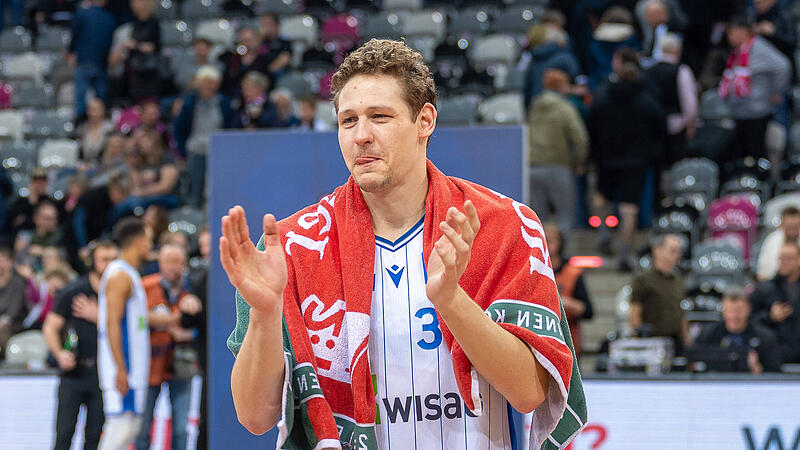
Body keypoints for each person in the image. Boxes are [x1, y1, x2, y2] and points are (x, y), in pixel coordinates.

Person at [222, 39, 584, 449]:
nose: (361, 136)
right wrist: (266, 313)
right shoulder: (294, 247)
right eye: (348, 121)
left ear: (424, 120)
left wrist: (449, 299)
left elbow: (529, 393)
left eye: (380, 117)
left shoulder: (501, 225)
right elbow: (254, 418)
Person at [588, 59, 666, 269]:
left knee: (601, 198)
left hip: (607, 159)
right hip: (635, 161)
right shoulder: (645, 100)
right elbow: (660, 124)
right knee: (629, 209)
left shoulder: (603, 97)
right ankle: (624, 254)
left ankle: (604, 232)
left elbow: (591, 124)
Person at [43, 240, 119, 450]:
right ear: (93, 262)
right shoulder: (74, 291)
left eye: (114, 259)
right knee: (64, 434)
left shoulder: (120, 293)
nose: (110, 265)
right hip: (74, 373)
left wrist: (99, 317)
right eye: (104, 259)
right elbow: (50, 326)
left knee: (95, 437)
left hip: (103, 374)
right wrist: (59, 354)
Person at [135, 244, 202, 450]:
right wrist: (169, 319)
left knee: (181, 428)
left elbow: (204, 325)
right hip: (149, 365)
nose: (173, 267)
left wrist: (189, 333)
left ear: (184, 264)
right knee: (143, 427)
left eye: (177, 261)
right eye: (168, 261)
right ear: (160, 263)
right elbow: (137, 321)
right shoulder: (145, 286)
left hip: (181, 364)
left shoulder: (194, 287)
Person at [97, 217, 152, 450]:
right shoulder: (120, 275)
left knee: (128, 428)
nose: (151, 245)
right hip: (124, 367)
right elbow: (112, 323)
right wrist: (120, 368)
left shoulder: (129, 273)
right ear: (138, 242)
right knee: (121, 427)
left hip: (133, 366)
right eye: (149, 240)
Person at [719, 16, 790, 169]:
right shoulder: (736, 51)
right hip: (740, 110)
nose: (729, 37)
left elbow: (783, 66)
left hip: (757, 110)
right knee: (740, 155)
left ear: (743, 32)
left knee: (757, 154)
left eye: (732, 33)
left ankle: (760, 181)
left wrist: (776, 91)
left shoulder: (759, 47)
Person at [527, 69, 589, 233]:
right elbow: (580, 139)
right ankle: (561, 256)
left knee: (537, 220)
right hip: (558, 167)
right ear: (561, 86)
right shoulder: (565, 108)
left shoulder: (533, 107)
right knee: (565, 217)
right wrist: (577, 162)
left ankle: (540, 257)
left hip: (532, 167)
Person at [174, 65, 236, 207]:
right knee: (196, 185)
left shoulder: (223, 102)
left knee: (217, 187)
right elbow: (179, 128)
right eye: (208, 82)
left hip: (218, 151)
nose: (211, 86)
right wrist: (182, 151)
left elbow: (230, 125)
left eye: (214, 82)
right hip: (196, 149)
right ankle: (195, 212)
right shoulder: (189, 103)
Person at [693, 286, 781, 373]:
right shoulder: (707, 336)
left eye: (739, 311)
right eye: (730, 310)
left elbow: (776, 375)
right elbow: (695, 366)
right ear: (723, 311)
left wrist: (758, 370)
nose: (734, 316)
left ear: (748, 309)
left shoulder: (766, 338)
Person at [644, 33, 698, 165]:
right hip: (677, 124)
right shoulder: (681, 70)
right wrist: (691, 123)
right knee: (677, 165)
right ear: (677, 50)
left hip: (653, 125)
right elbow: (689, 101)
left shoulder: (648, 71)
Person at [629, 234, 689, 350]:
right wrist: (637, 339)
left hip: (675, 340)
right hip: (652, 340)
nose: (676, 255)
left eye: (678, 252)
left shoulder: (678, 280)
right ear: (657, 251)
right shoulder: (643, 280)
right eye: (672, 251)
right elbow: (635, 311)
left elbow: (681, 311)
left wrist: (686, 337)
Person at [543, 223, 593, 357]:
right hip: (541, 343)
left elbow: (588, 311)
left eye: (550, 240)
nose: (546, 244)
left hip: (568, 345)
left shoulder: (573, 273)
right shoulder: (532, 270)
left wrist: (566, 303)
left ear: (560, 243)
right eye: (543, 239)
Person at [750, 241, 800, 365]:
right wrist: (770, 317)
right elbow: (749, 319)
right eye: (780, 258)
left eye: (788, 258)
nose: (783, 262)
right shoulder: (764, 289)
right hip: (774, 356)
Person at [69, 0, 116, 120]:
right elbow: (110, 44)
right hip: (101, 64)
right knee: (101, 98)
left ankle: (81, 123)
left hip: (85, 62)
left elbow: (74, 36)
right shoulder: (110, 18)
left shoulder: (82, 14)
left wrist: (70, 51)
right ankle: (100, 122)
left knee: (81, 99)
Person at [756, 206, 800, 281]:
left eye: (795, 227)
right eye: (789, 227)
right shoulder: (772, 240)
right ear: (782, 225)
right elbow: (761, 272)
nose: (792, 231)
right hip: (774, 284)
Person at [0, 247, 28, 360]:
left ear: (10, 263)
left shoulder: (17, 283)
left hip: (13, 322)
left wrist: (4, 320)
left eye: (3, 260)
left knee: (2, 331)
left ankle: (6, 361)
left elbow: (14, 308)